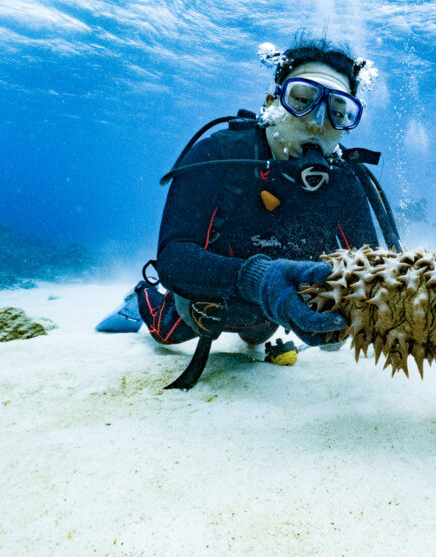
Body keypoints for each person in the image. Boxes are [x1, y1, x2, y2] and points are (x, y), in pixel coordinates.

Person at [99, 35, 400, 389]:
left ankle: (262, 322)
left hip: (279, 304)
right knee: (177, 329)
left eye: (338, 112)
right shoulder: (217, 156)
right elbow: (174, 257)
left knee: (261, 333)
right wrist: (255, 278)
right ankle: (141, 299)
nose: (318, 123)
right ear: (273, 101)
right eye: (301, 100)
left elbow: (370, 270)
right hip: (213, 290)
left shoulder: (345, 182)